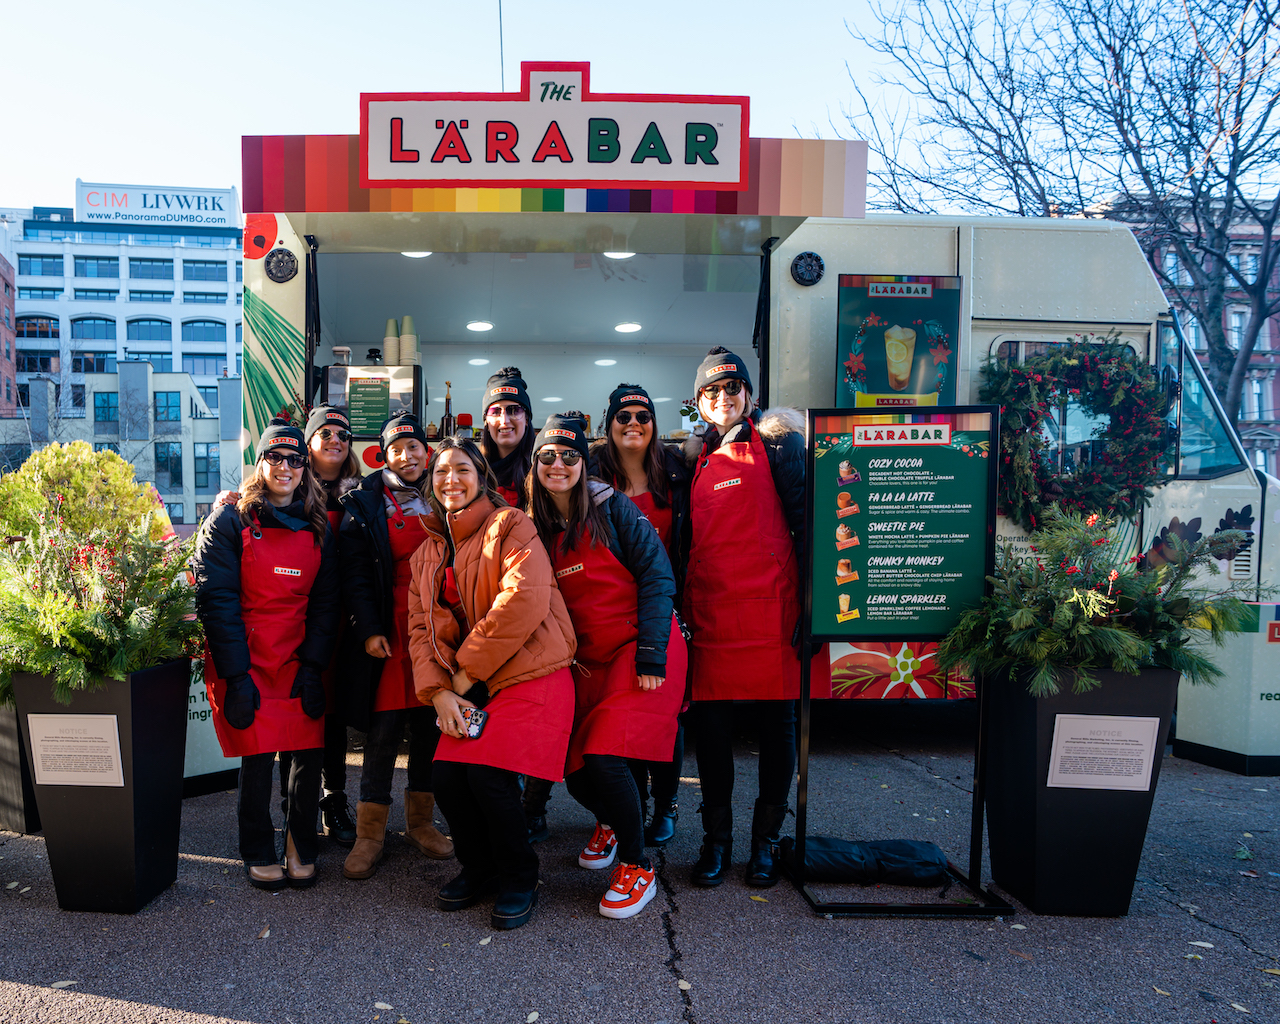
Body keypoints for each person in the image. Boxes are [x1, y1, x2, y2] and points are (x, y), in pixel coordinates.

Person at [407, 436, 576, 930]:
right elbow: (420, 630)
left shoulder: (511, 525)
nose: (450, 479)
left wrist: (462, 677)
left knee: (488, 776)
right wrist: (437, 692)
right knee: (446, 777)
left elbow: (521, 603)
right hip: (471, 682)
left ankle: (520, 874)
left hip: (532, 670)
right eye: (440, 472)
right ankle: (478, 868)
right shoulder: (426, 552)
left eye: (462, 469)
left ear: (482, 477)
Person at [682, 346, 829, 888]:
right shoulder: (693, 459)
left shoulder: (780, 444)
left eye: (732, 388)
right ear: (699, 402)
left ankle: (764, 845)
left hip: (774, 614)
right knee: (713, 734)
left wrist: (814, 609)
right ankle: (715, 842)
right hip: (714, 615)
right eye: (711, 391)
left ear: (749, 394)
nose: (723, 398)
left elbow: (812, 526)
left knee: (777, 731)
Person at [528, 414, 685, 919]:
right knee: (574, 770)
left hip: (642, 650)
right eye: (547, 455)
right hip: (587, 663)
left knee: (604, 757)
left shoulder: (612, 508)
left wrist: (652, 654)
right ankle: (616, 823)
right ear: (535, 464)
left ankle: (639, 866)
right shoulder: (535, 525)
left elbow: (658, 579)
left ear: (583, 461)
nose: (558, 464)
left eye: (569, 455)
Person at [194, 418, 340, 890]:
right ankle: (257, 848)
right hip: (248, 656)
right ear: (259, 463)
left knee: (307, 758)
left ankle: (301, 843)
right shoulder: (229, 521)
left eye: (295, 460)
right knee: (256, 759)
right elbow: (217, 603)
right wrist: (237, 678)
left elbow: (326, 603)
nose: (285, 467)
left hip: (299, 658)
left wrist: (315, 666)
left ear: (306, 469)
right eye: (275, 457)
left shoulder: (318, 524)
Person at [336, 413, 454, 880]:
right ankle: (370, 835)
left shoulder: (446, 494)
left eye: (415, 446)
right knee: (383, 736)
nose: (409, 455)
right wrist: (368, 629)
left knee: (430, 729)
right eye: (398, 447)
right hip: (390, 633)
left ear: (428, 452)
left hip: (435, 634)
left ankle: (422, 824)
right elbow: (357, 574)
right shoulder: (363, 502)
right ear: (382, 455)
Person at [588, 384, 692, 847]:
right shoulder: (590, 480)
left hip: (663, 612)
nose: (633, 423)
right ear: (608, 426)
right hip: (612, 619)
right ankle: (631, 808)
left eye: (642, 416)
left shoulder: (677, 476)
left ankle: (666, 803)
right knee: (619, 720)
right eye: (623, 416)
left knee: (668, 715)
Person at [478, 367, 535, 508]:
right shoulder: (474, 471)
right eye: (495, 411)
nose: (504, 420)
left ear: (527, 419)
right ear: (486, 421)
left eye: (514, 410)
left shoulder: (543, 470)